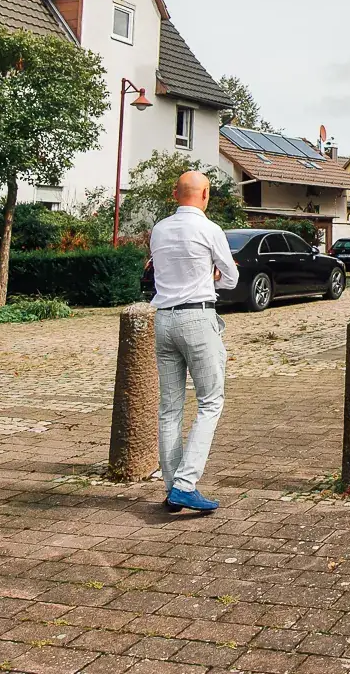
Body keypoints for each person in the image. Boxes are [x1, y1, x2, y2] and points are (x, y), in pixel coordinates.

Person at [147, 170, 237, 514]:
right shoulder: (209, 229)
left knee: (169, 407)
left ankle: (172, 487)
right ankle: (185, 485)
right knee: (210, 402)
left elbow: (164, 270)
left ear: (175, 193)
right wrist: (212, 273)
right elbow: (231, 276)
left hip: (164, 319)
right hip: (197, 318)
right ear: (206, 195)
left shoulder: (159, 229)